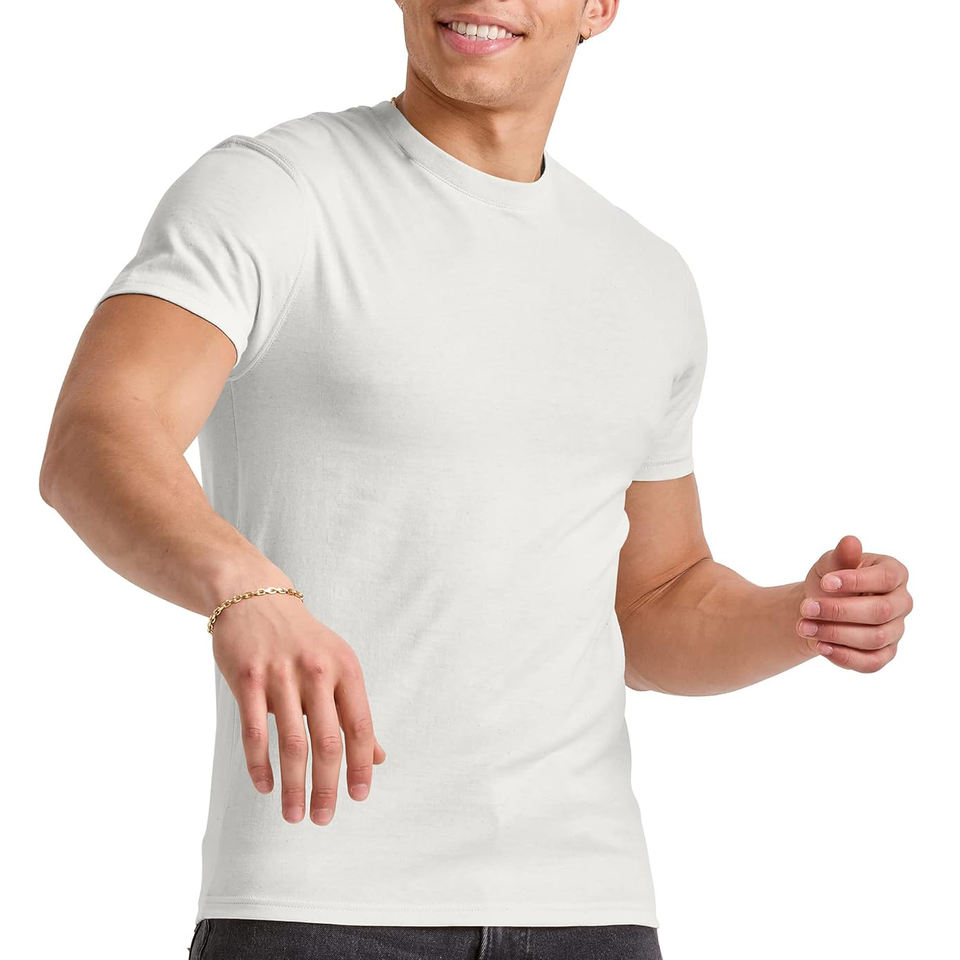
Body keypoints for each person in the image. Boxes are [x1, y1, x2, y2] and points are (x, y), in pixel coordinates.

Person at [38, 2, 914, 958]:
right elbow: (96, 433)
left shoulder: (647, 278)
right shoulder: (275, 192)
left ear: (599, 6)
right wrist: (244, 585)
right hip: (319, 903)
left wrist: (803, 617)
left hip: (589, 911)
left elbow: (652, 602)